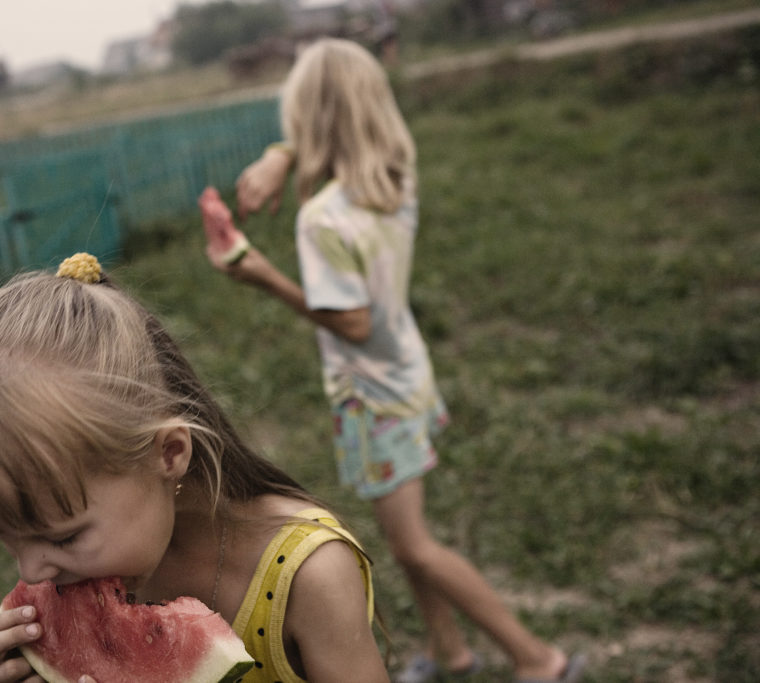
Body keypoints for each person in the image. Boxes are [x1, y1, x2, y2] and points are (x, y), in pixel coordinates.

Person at [209, 38, 586, 683]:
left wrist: (260, 274)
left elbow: (351, 322)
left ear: (307, 115)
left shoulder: (323, 218)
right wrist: (282, 156)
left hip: (373, 397)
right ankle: (451, 653)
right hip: (407, 374)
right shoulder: (393, 177)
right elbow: (336, 124)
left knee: (413, 546)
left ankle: (538, 659)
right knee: (409, 541)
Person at [0, 251, 391, 683]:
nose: (32, 571)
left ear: (168, 454)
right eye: (7, 540)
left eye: (63, 538)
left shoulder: (311, 576)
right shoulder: (103, 562)